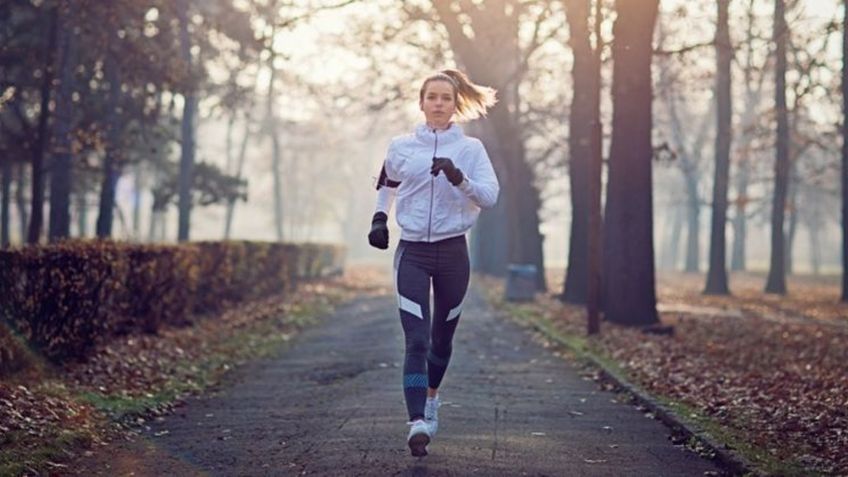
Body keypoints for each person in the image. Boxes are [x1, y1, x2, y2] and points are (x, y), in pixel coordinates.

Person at [367, 69, 500, 457]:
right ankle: (416, 422)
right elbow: (387, 184)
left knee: (441, 340)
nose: (438, 103)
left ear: (455, 104)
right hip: (412, 252)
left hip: (453, 253)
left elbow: (489, 197)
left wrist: (459, 178)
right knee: (417, 338)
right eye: (432, 97)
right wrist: (379, 219)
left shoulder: (471, 150)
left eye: (445, 98)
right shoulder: (401, 146)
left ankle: (431, 399)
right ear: (421, 103)